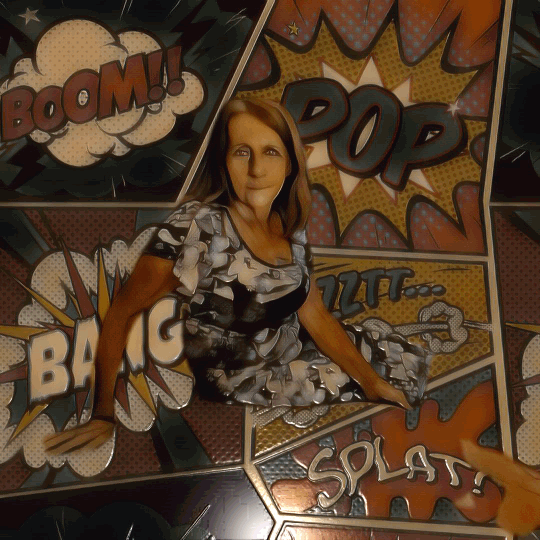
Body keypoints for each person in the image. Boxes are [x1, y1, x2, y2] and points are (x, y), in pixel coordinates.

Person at [45, 97, 430, 454]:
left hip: (292, 349)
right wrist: (103, 413)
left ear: (291, 164)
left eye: (271, 152)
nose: (257, 169)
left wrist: (370, 379)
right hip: (244, 379)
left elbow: (313, 313)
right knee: (402, 384)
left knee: (407, 358)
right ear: (224, 162)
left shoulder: (287, 224)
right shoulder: (198, 227)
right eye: (241, 152)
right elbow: (122, 312)